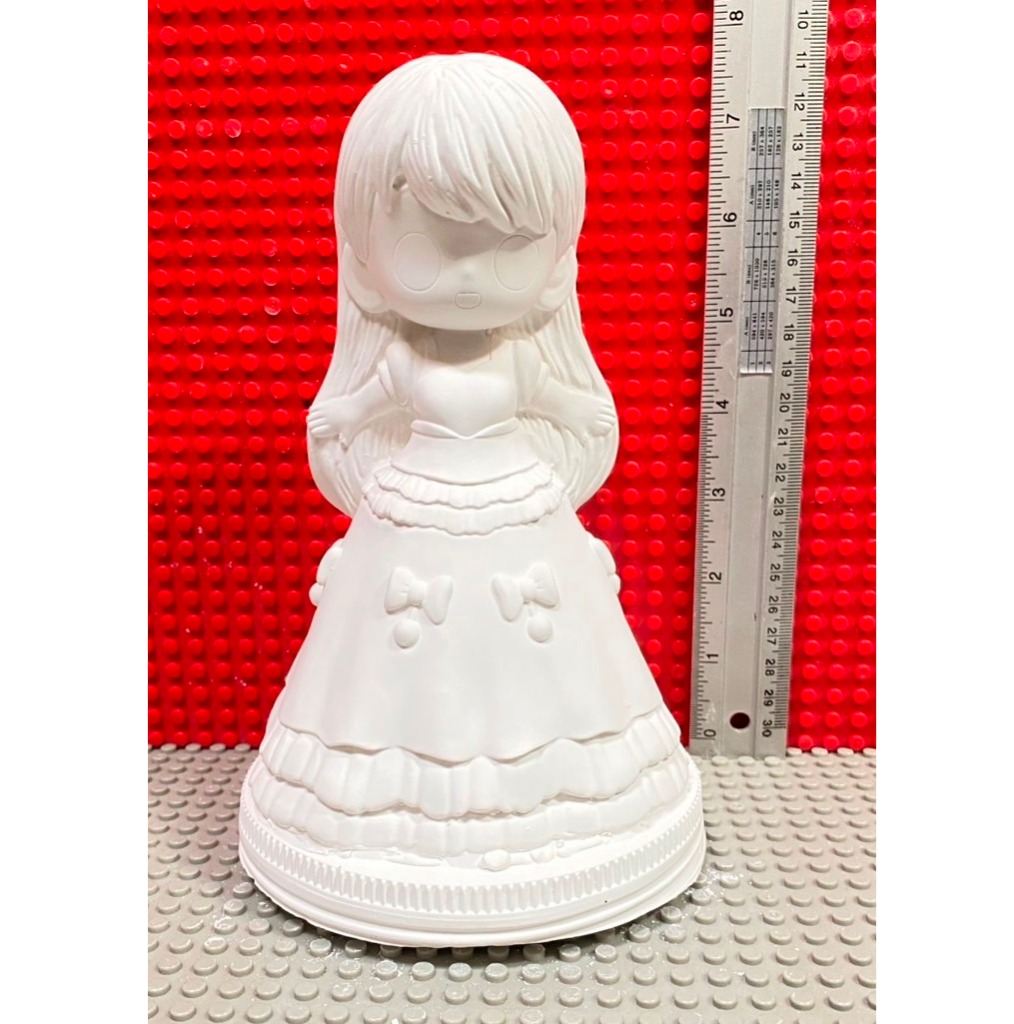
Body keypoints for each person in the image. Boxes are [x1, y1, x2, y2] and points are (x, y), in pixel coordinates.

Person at [239, 52, 705, 946]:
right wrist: (335, 425)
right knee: (398, 661)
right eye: (427, 251)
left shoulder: (520, 358)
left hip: (518, 509)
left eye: (509, 249)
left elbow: (568, 405)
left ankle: (563, 813)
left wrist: (589, 424)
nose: (467, 280)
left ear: (555, 258)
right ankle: (392, 819)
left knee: (540, 656)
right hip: (412, 514)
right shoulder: (401, 359)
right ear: (367, 261)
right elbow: (358, 409)